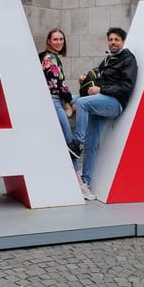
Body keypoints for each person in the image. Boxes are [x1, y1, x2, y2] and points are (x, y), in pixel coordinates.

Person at [69, 27, 137, 193]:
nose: (113, 42)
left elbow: (126, 86)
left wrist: (101, 90)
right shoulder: (108, 59)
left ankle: (77, 143)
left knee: (82, 102)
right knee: (72, 100)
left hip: (114, 103)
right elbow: (96, 78)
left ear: (123, 41)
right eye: (111, 39)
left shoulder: (128, 59)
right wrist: (85, 79)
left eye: (116, 40)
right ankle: (86, 182)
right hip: (100, 103)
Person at [39, 29, 96, 201]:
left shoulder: (53, 58)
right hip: (54, 101)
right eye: (55, 39)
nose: (59, 42)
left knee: (84, 100)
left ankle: (70, 180)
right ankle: (80, 184)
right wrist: (70, 101)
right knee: (69, 142)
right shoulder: (49, 58)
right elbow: (57, 84)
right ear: (49, 41)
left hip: (57, 100)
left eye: (61, 39)